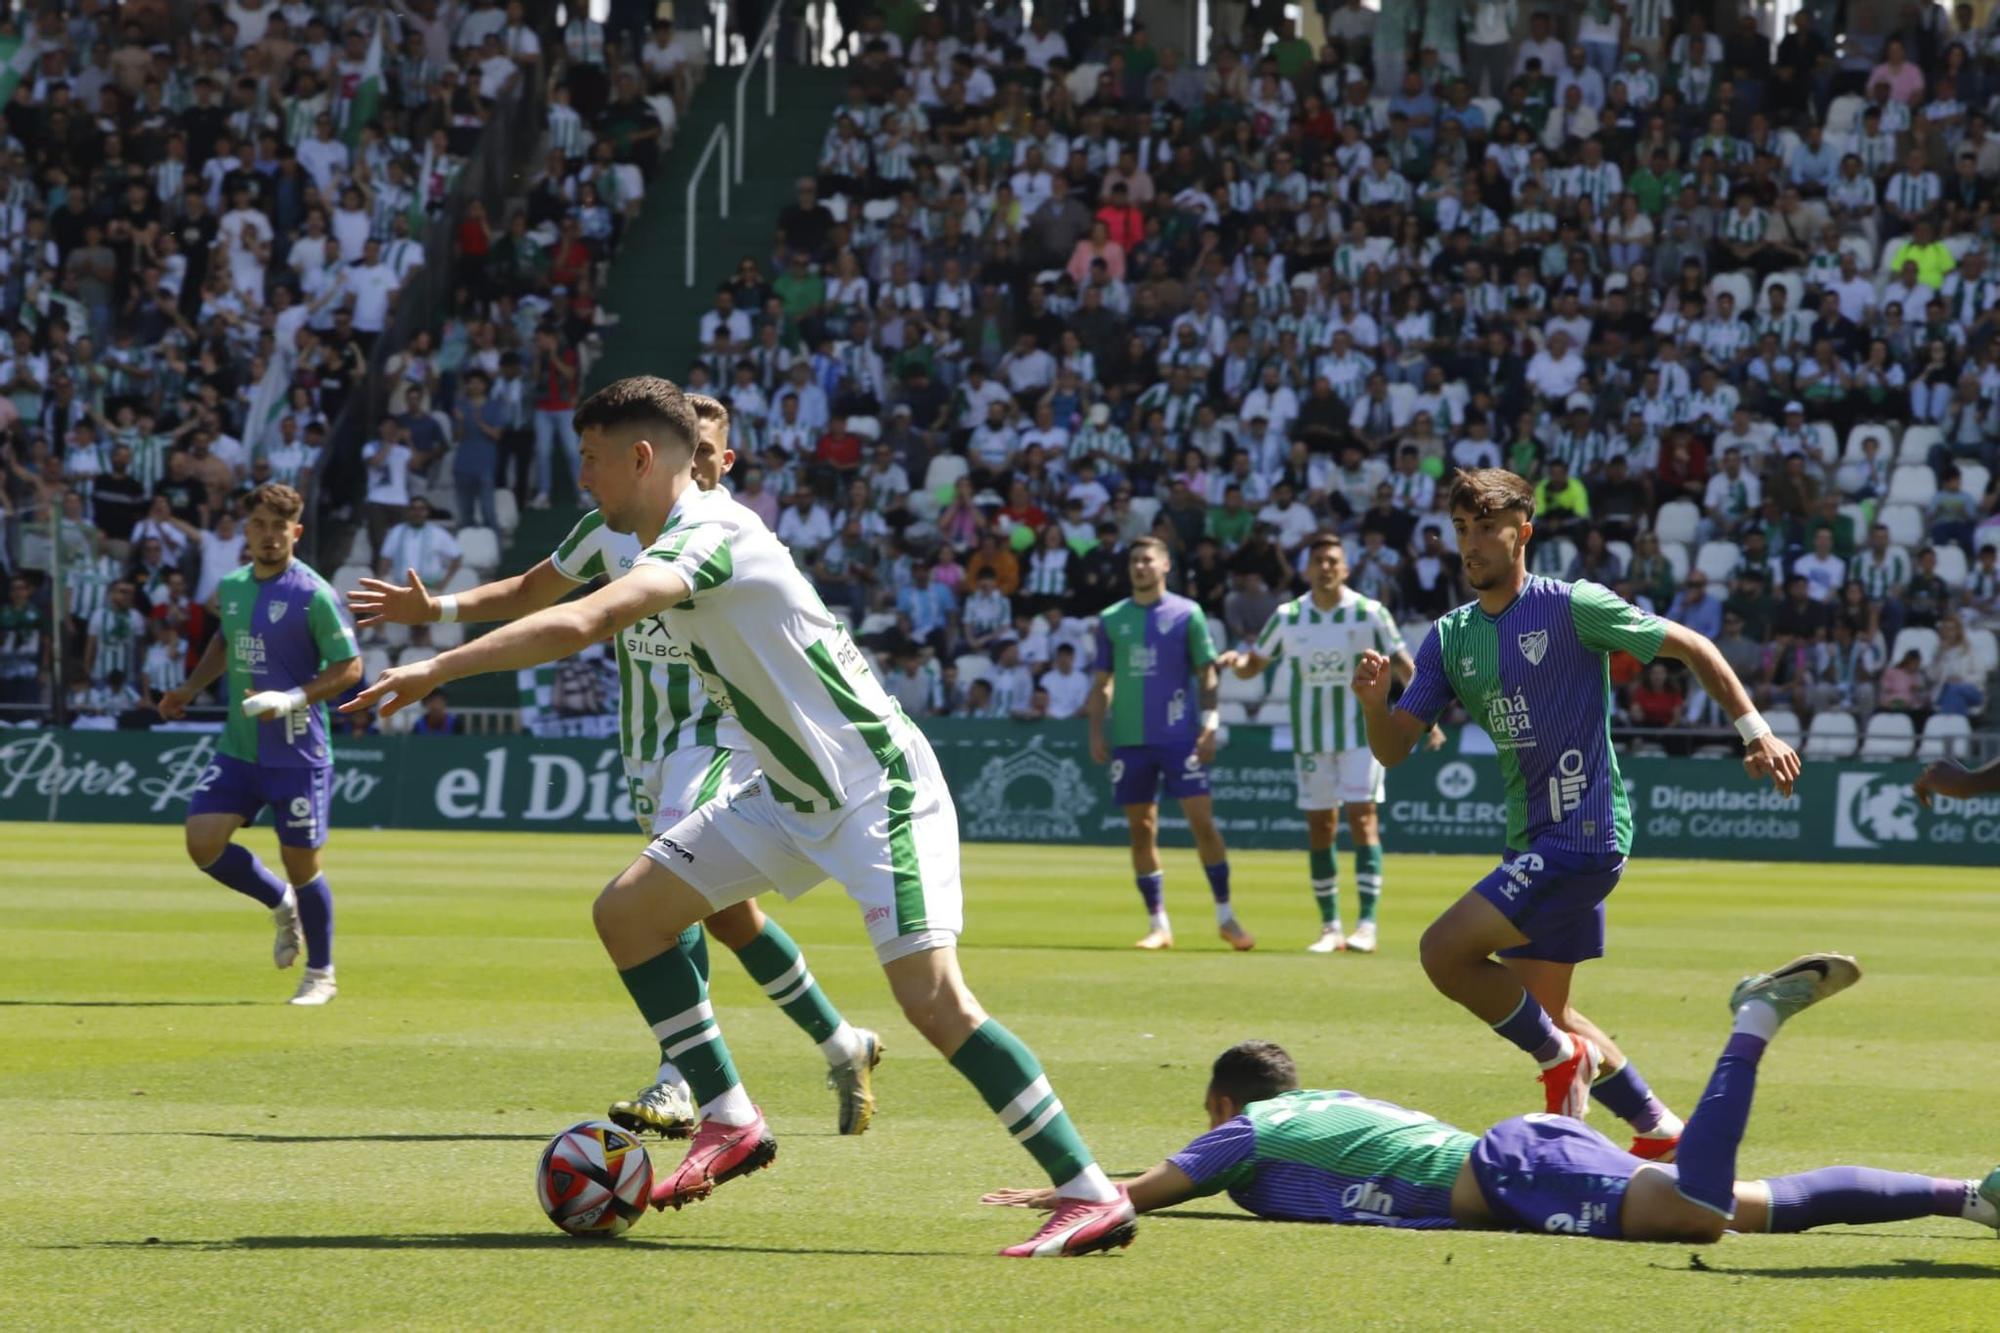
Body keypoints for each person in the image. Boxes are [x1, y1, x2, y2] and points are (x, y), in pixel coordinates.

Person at [344, 377, 1133, 1258]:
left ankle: (1089, 1191)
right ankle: (730, 1117)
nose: (586, 482)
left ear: (642, 458)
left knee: (935, 1001)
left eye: (594, 462)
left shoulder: (712, 531)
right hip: (788, 793)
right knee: (630, 914)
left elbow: (589, 616)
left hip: (876, 788)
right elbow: (556, 588)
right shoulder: (647, 531)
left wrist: (436, 667)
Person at [348, 394, 884, 1139]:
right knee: (726, 914)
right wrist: (435, 609)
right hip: (650, 745)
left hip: (719, 734)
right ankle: (843, 1041)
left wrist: (441, 660)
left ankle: (681, 1078)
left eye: (704, 451)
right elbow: (534, 590)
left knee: (666, 883)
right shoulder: (615, 530)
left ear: (720, 461)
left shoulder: (726, 538)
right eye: (682, 447)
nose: (690, 462)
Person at [1352, 469, 1802, 1161]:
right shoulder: (1448, 637)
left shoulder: (1572, 606)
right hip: (1532, 842)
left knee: (1444, 951)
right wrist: (1373, 702)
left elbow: (1692, 646)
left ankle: (1564, 1062)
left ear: (1523, 532)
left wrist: (1755, 730)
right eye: (1461, 530)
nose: (1470, 545)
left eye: (1486, 529)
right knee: (1548, 1011)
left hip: (1584, 835)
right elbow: (1393, 749)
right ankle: (1659, 1127)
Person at [983, 956, 2000, 1242]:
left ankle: (1751, 1019)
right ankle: (1967, 1196)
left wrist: (1081, 1188)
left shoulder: (1255, 1128)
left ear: (1220, 1100)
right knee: (1739, 1205)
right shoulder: (1307, 1110)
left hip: (1512, 1170)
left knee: (1699, 1209)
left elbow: (1146, 1191)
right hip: (1514, 1159)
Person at [155, 484, 362, 1006]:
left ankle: (321, 973)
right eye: (260, 526)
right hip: (241, 746)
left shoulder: (313, 594)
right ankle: (279, 905)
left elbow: (350, 668)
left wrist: (292, 698)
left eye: (279, 527)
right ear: (245, 530)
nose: (269, 537)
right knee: (202, 842)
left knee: (302, 864)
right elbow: (225, 640)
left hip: (297, 752)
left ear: (295, 531)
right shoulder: (232, 587)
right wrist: (188, 689)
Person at [1219, 534, 1440, 954]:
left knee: (1362, 819)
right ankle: (1330, 927)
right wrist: (1237, 663)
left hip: (1362, 734)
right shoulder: (1288, 616)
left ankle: (1366, 925)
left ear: (1346, 568)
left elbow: (1403, 665)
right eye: (1318, 559)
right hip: (1310, 738)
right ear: (1306, 569)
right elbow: (1254, 667)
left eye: (1332, 560)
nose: (1325, 566)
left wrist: (1427, 717)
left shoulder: (1369, 612)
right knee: (1320, 828)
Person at [1087, 537, 1251, 953]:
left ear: (1164, 566)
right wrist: (1095, 729)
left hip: (1180, 739)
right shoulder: (1111, 619)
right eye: (1134, 560)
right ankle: (1159, 924)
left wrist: (1210, 723)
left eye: (1147, 559)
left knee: (1203, 824)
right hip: (1130, 740)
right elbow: (1103, 681)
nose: (1139, 566)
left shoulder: (1187, 614)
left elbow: (1207, 673)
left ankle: (1226, 917)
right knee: (1141, 832)